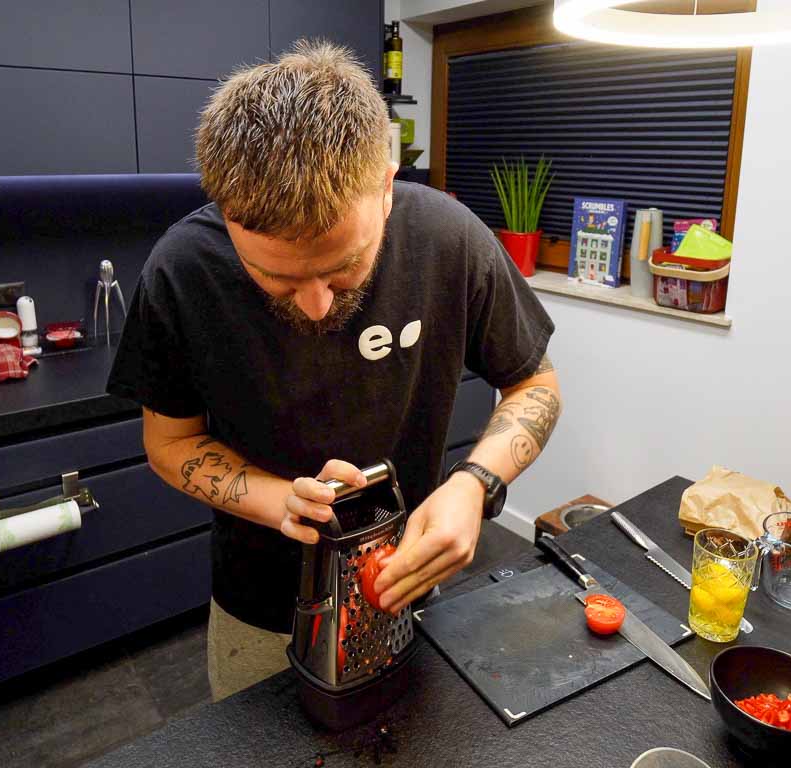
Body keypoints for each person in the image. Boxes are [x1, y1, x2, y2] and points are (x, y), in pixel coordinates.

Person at [107, 40, 561, 701]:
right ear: (226, 213)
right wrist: (276, 499)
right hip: (258, 613)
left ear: (385, 184)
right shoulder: (181, 271)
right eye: (276, 279)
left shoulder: (451, 240)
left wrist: (475, 484)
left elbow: (534, 383)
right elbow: (168, 442)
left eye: (343, 268)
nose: (318, 305)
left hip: (409, 593)